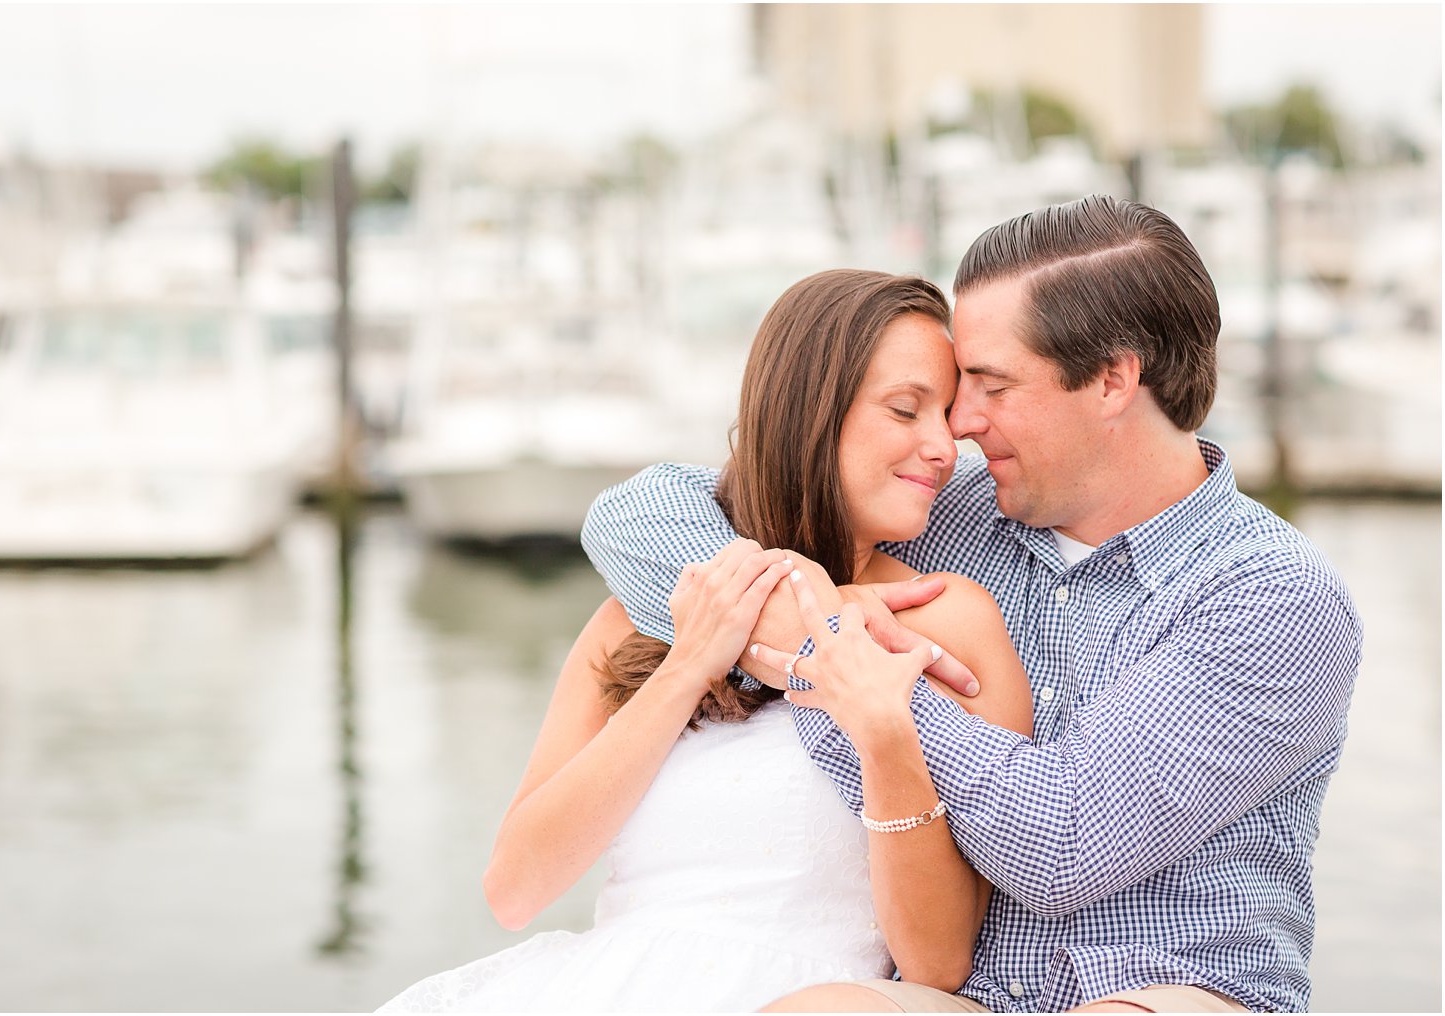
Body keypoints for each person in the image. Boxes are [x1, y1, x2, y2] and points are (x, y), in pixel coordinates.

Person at [581, 195, 1362, 1013]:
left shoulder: (1272, 597)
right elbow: (638, 513)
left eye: (990, 384)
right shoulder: (951, 510)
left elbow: (1062, 846)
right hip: (975, 997)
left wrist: (859, 681)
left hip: (1172, 989)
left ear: (1112, 380)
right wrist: (803, 625)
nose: (957, 422)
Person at [378, 270, 1033, 1012]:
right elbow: (515, 888)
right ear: (809, 414)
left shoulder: (950, 623)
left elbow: (938, 963)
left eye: (945, 417)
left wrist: (882, 727)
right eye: (906, 410)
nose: (943, 446)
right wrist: (692, 663)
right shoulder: (651, 610)